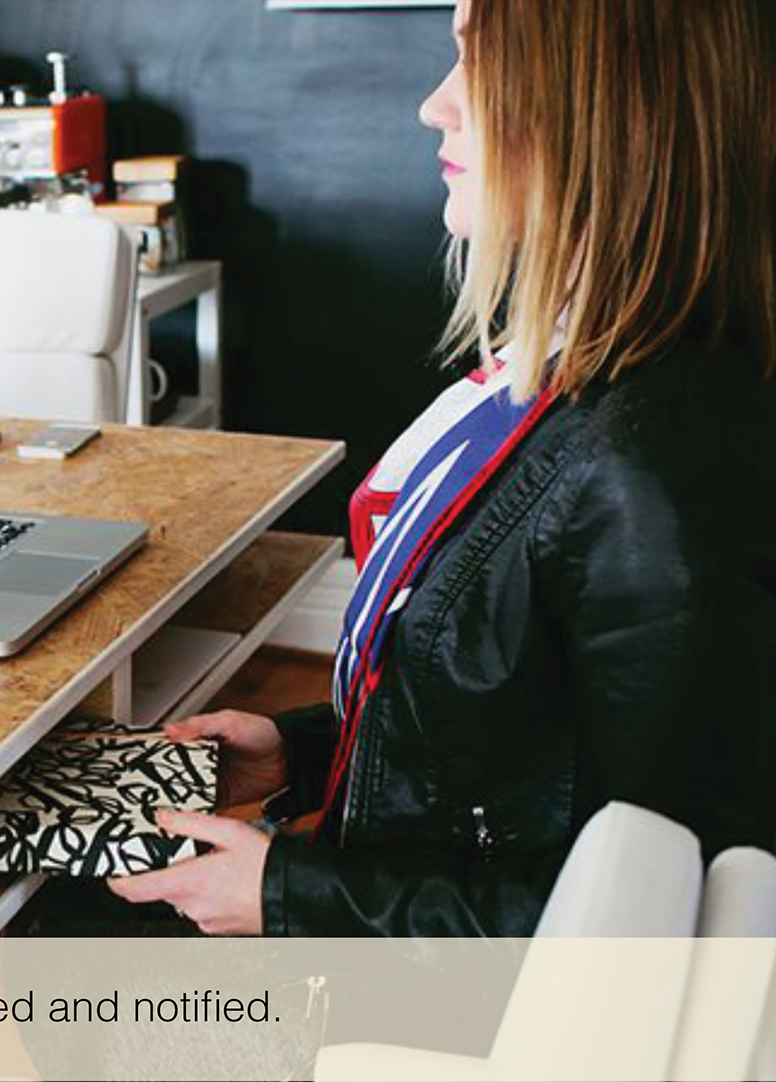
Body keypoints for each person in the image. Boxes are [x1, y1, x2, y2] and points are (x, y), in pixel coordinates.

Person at [110, 0, 776, 937]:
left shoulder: (659, 477)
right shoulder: (583, 377)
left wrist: (291, 894)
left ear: (617, 109)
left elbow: (657, 926)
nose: (436, 104)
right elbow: (523, 737)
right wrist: (302, 751)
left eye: (482, 62)